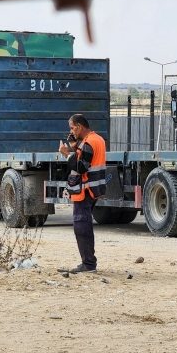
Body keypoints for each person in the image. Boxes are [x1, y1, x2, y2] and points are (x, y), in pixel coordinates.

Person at [58, 114, 107, 273]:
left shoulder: (88, 143)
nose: (71, 131)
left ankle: (88, 264)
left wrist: (67, 154)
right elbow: (87, 158)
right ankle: (88, 263)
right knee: (84, 225)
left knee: (81, 226)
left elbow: (81, 167)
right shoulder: (97, 139)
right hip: (94, 189)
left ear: (79, 126)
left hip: (84, 190)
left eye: (72, 128)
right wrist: (75, 146)